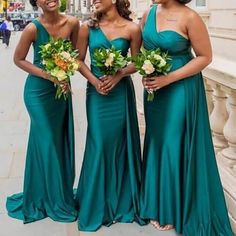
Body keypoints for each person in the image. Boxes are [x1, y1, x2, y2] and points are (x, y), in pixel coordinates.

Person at [139, 0, 234, 235]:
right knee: (157, 142)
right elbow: (143, 50)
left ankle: (172, 209)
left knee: (173, 143)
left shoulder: (190, 17)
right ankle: (155, 203)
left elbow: (205, 57)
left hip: (180, 87)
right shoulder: (148, 13)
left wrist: (168, 78)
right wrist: (147, 70)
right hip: (154, 89)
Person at [6, 0, 79, 223]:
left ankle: (50, 192)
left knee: (55, 141)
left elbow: (76, 55)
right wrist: (48, 75)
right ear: (36, 2)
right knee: (47, 140)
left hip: (61, 92)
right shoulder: (31, 28)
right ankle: (54, 200)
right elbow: (18, 59)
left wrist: (65, 72)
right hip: (38, 92)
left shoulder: (73, 23)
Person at [75, 0, 145, 231]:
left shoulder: (132, 29)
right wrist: (94, 81)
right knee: (99, 142)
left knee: (119, 143)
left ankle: (121, 199)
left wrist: (119, 74)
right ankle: (96, 203)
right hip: (97, 94)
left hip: (120, 92)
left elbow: (138, 62)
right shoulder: (88, 28)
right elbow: (78, 59)